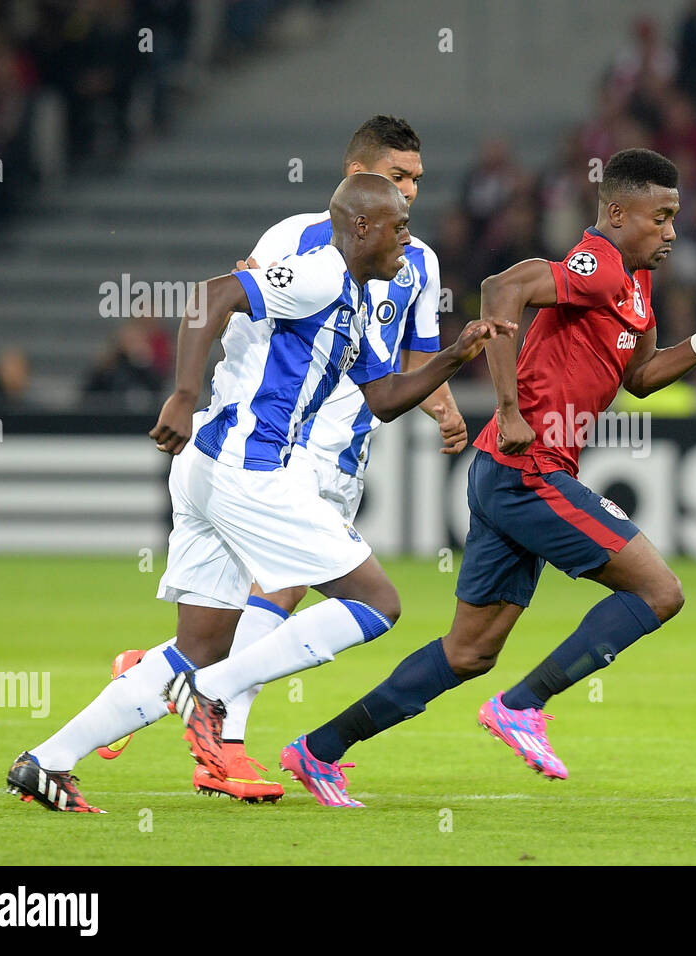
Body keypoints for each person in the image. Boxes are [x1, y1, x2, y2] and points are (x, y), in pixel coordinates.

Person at [269, 148, 696, 807]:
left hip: (510, 475)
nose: (671, 232)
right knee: (659, 591)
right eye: (661, 217)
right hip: (527, 471)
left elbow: (640, 379)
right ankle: (522, 706)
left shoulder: (636, 283)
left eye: (676, 218)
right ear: (617, 214)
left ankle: (318, 749)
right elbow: (502, 288)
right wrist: (506, 407)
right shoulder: (597, 264)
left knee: (468, 652)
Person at [6, 174, 510, 812]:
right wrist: (183, 394)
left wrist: (455, 356)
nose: (407, 241)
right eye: (398, 227)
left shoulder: (353, 295)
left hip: (208, 469)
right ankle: (212, 693)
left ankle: (46, 761)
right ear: (360, 227)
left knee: (198, 643)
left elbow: (381, 399)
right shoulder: (322, 274)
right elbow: (211, 297)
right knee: (377, 603)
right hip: (250, 465)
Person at [99, 116, 465, 804]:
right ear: (355, 173)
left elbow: (409, 362)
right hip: (281, 448)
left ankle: (148, 678)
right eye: (396, 176)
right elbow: (241, 318)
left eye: (416, 178)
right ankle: (224, 742)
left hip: (350, 449)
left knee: (229, 620)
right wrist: (198, 399)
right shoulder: (294, 238)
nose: (410, 192)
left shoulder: (419, 260)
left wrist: (440, 400)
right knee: (289, 590)